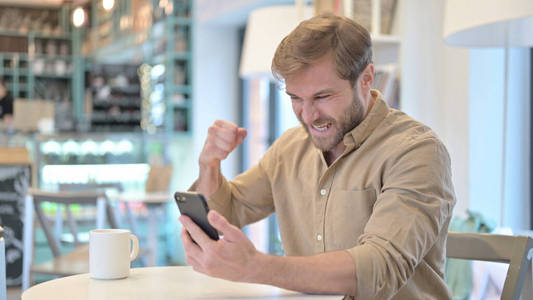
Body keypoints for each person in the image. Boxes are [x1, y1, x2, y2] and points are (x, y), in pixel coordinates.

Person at [179, 13, 456, 299]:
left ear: (366, 79)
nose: (308, 116)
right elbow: (227, 212)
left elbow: (379, 268)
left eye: (322, 97)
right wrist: (209, 165)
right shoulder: (291, 147)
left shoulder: (417, 151)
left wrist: (255, 266)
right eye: (296, 98)